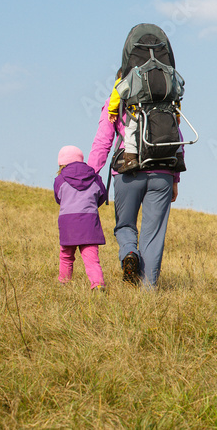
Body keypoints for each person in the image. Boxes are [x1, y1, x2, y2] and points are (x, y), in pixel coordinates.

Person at [89, 96, 181, 288]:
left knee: (125, 225)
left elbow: (103, 141)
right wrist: (175, 178)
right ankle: (148, 290)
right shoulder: (164, 99)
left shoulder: (116, 101)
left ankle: (130, 252)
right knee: (154, 234)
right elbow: (176, 138)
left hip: (127, 169)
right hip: (162, 171)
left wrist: (90, 175)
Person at [54, 145, 107, 291]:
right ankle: (97, 284)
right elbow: (102, 195)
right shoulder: (95, 177)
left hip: (68, 223)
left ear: (61, 163)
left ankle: (64, 283)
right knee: (91, 257)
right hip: (89, 222)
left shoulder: (60, 179)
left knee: (66, 255)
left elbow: (59, 198)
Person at [107, 69, 140, 173]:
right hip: (160, 165)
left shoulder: (115, 99)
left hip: (124, 163)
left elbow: (102, 141)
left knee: (129, 131)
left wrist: (112, 110)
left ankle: (130, 159)